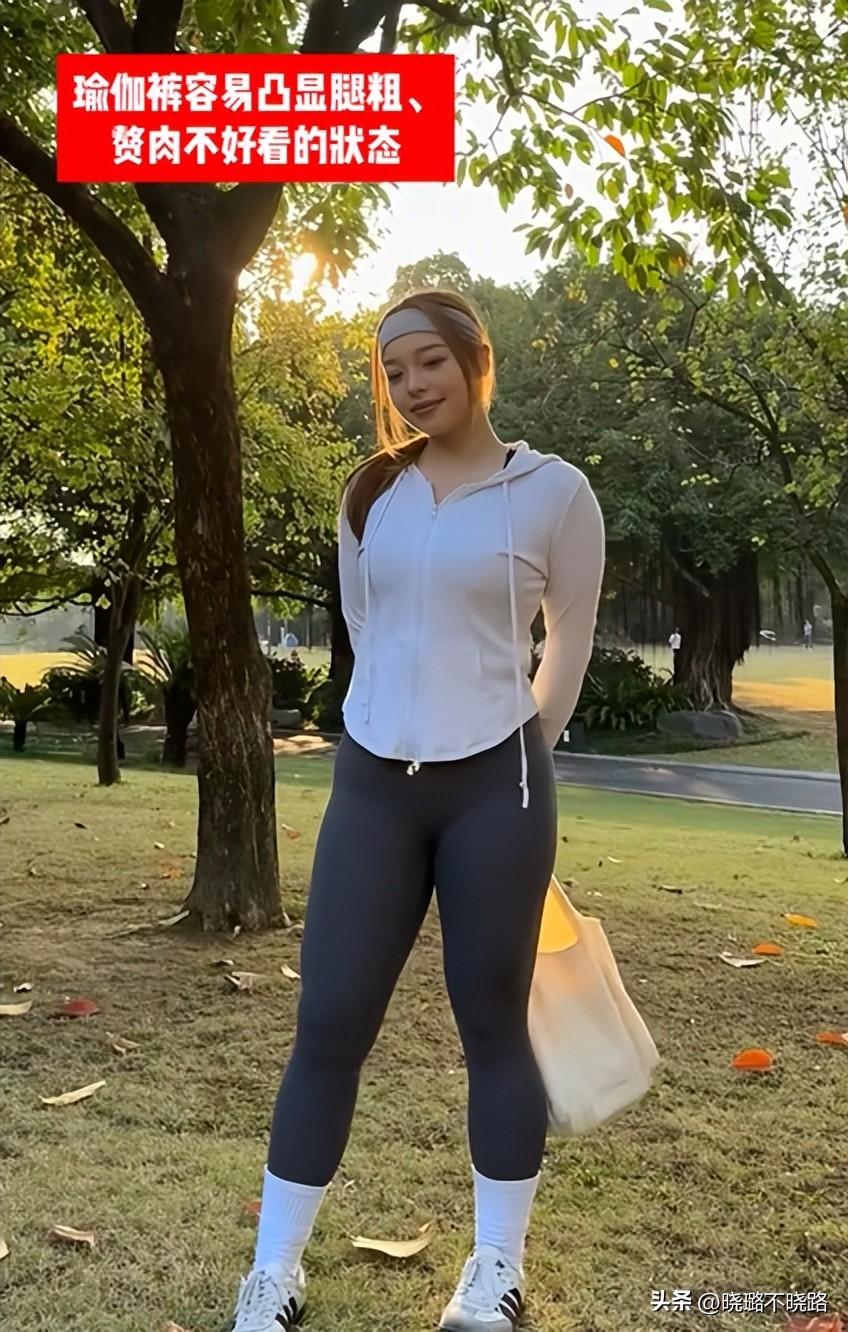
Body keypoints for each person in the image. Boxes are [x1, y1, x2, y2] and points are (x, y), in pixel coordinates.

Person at [228, 289, 606, 1332]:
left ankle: (496, 1271)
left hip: (498, 785)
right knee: (328, 1021)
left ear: (477, 361)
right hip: (372, 787)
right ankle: (273, 1273)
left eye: (430, 362)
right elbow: (369, 631)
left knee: (492, 1022)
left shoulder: (554, 492)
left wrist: (523, 744)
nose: (412, 386)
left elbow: (568, 638)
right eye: (394, 373)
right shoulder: (371, 494)